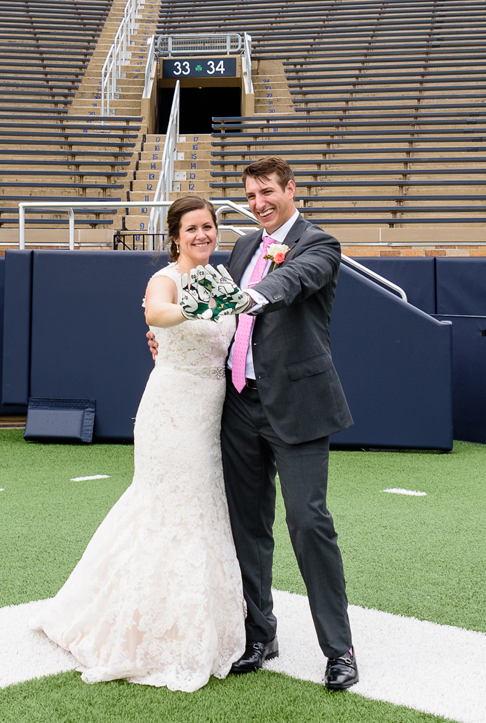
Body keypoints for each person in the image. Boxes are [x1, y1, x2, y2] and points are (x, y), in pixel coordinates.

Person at [153, 156, 358, 691]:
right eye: (250, 196)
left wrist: (254, 295)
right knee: (247, 526)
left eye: (267, 192)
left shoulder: (321, 244)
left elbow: (294, 280)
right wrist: (164, 339)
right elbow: (201, 312)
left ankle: (339, 649)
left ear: (292, 190)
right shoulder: (242, 247)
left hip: (297, 404)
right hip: (237, 404)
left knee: (308, 523)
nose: (259, 203)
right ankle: (260, 634)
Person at [34, 194, 246, 692]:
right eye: (191, 229)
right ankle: (144, 627)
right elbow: (157, 315)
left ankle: (199, 619)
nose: (202, 236)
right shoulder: (166, 280)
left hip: (212, 411)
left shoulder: (225, 279)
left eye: (208, 227)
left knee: (203, 508)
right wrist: (191, 307)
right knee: (169, 508)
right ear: (175, 236)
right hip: (171, 413)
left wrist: (213, 302)